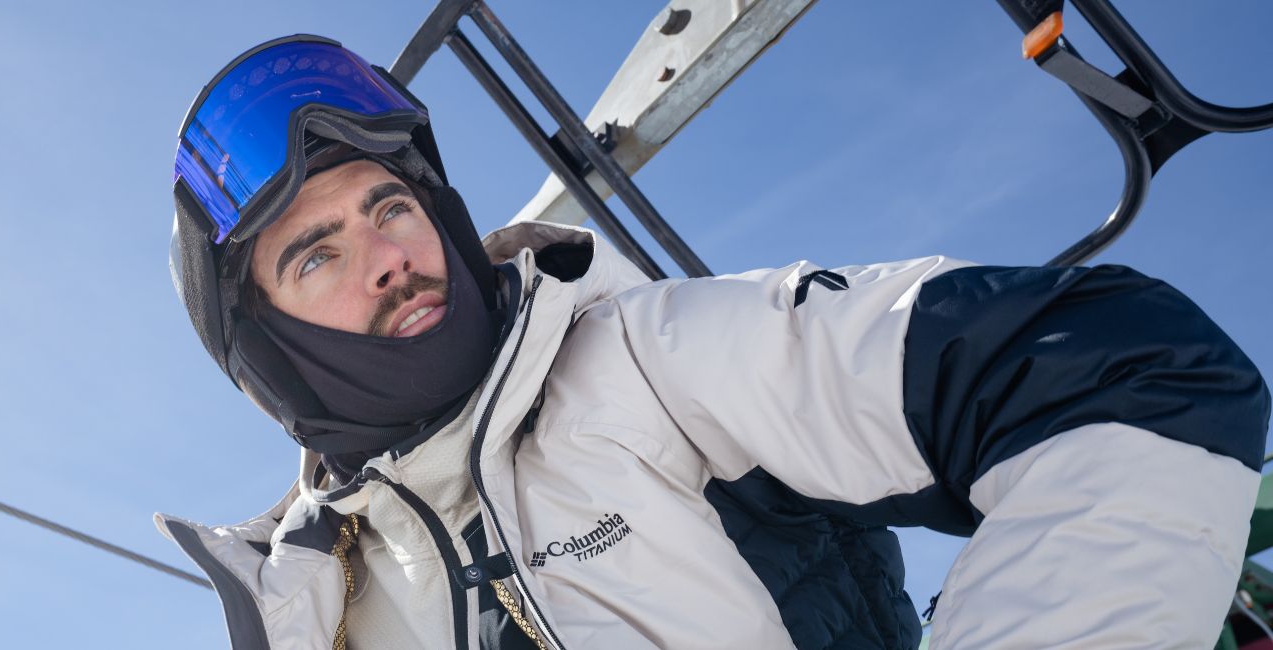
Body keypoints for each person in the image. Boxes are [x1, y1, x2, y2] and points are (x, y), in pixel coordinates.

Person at [154, 35, 1270, 649]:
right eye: (318, 255)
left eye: (391, 207)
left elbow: (1121, 368)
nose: (387, 257)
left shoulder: (646, 366)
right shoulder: (312, 606)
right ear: (267, 352)